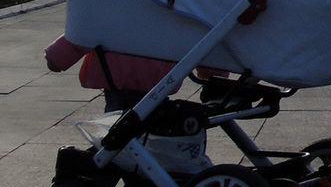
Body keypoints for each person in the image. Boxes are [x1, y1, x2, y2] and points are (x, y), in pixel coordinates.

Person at [45, 35, 225, 112]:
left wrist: (57, 58)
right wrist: (212, 71)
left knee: (115, 140)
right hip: (159, 84)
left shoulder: (110, 4)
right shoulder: (177, 3)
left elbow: (81, 32)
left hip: (116, 84)